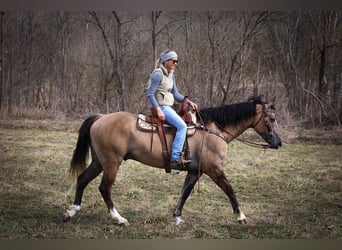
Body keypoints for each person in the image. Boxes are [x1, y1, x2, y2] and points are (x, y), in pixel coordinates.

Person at [147, 49, 198, 168]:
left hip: (169, 107)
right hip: (163, 107)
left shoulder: (171, 75)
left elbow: (176, 94)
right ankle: (175, 157)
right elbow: (150, 94)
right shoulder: (158, 74)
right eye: (174, 61)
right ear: (166, 61)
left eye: (177, 61)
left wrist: (188, 101)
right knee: (182, 126)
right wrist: (158, 109)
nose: (176, 64)